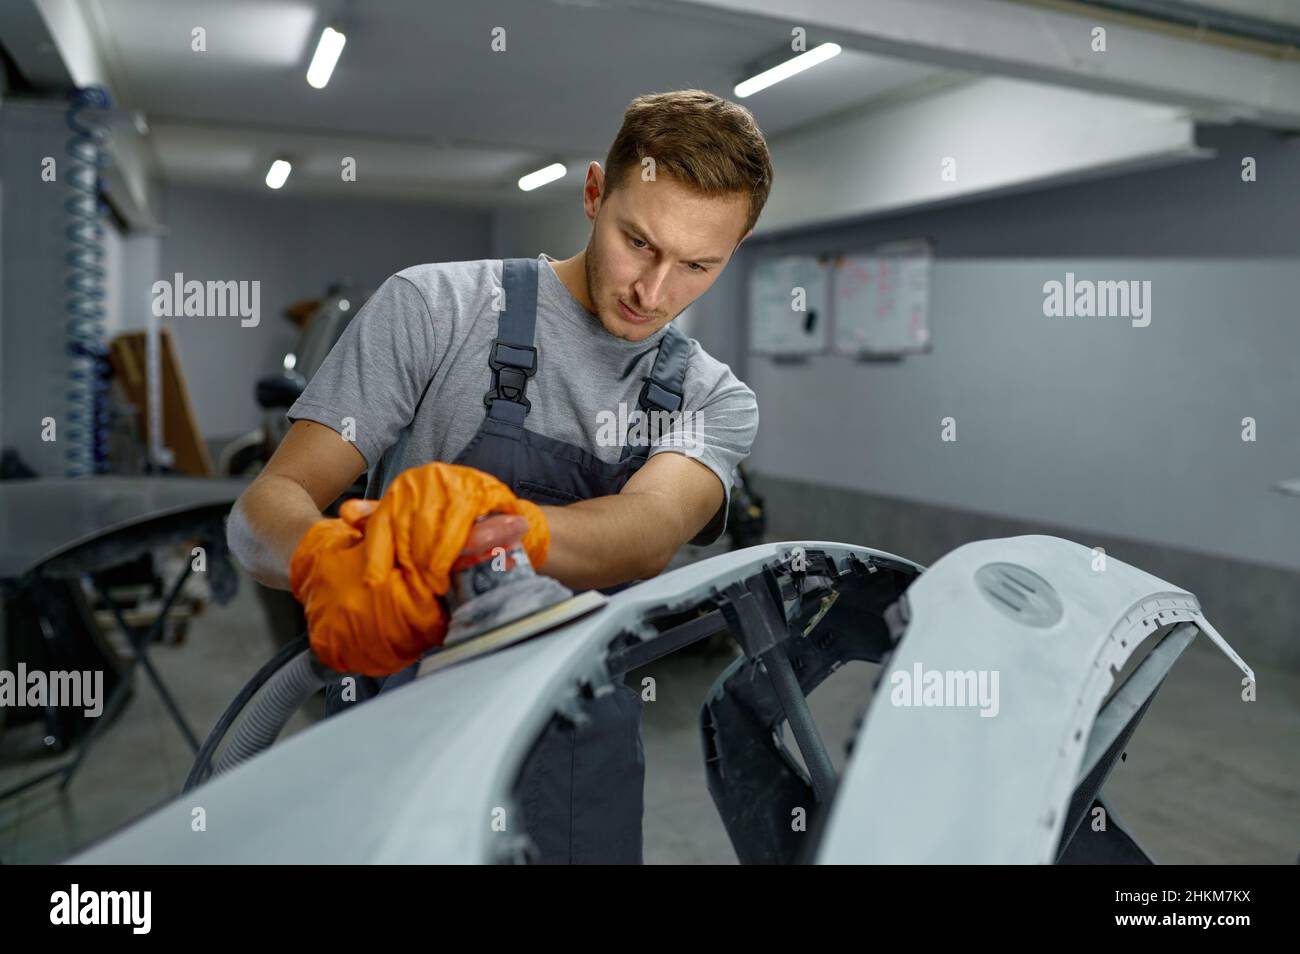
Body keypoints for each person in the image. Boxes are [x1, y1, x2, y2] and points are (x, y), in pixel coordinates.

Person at [227, 89, 772, 863]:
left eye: (697, 266)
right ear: (594, 194)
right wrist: (318, 559)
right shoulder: (434, 309)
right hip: (401, 727)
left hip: (577, 752)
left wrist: (498, 533)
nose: (653, 293)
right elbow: (266, 504)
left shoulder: (713, 399)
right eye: (638, 243)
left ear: (734, 250)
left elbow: (650, 529)